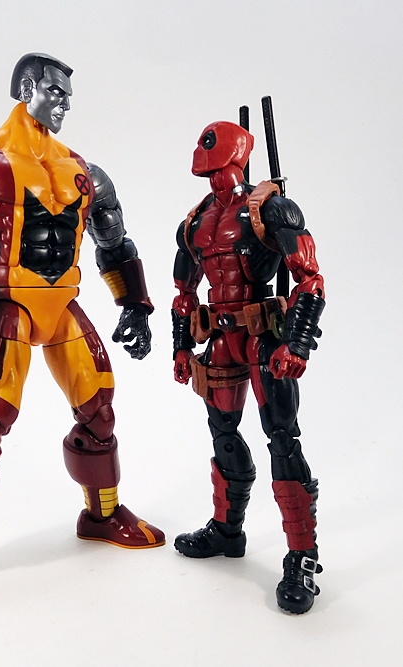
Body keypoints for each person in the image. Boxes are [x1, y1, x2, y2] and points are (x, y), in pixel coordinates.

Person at [0, 52, 164, 618]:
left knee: (100, 414)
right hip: (11, 304)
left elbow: (115, 243)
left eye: (69, 95)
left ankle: (101, 515)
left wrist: (135, 306)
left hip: (63, 304)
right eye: (54, 91)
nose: (63, 103)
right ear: (25, 89)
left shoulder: (83, 170)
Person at [171, 120, 325, 614]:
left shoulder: (269, 208)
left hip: (263, 338)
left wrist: (297, 343)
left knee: (282, 438)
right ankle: (227, 529)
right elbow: (184, 292)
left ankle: (302, 556)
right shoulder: (195, 221)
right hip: (220, 340)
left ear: (236, 153)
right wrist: (180, 346)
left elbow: (309, 279)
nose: (204, 155)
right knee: (222, 433)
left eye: (211, 145)